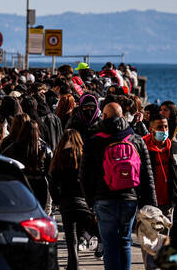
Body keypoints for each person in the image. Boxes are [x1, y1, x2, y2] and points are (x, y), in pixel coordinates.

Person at [80, 102, 157, 270]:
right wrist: (151, 202)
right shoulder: (135, 138)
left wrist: (89, 201)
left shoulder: (94, 140)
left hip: (104, 199)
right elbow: (147, 173)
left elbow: (84, 175)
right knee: (125, 241)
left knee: (109, 244)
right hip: (129, 198)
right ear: (122, 116)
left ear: (104, 116)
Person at [49, 130, 100, 270]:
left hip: (66, 202)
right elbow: (91, 179)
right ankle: (101, 244)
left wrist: (57, 200)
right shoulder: (84, 156)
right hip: (83, 201)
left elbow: (53, 182)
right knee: (93, 229)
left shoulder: (59, 156)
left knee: (71, 239)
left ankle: (73, 266)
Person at [142, 113, 175, 269]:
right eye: (160, 127)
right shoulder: (143, 146)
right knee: (150, 241)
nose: (164, 130)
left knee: (165, 240)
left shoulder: (173, 147)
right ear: (151, 129)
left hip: (167, 201)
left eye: (166, 127)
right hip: (149, 202)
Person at [8, 120, 52, 210]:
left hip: (21, 183)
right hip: (40, 185)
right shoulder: (44, 148)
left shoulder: (14, 147)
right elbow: (50, 171)